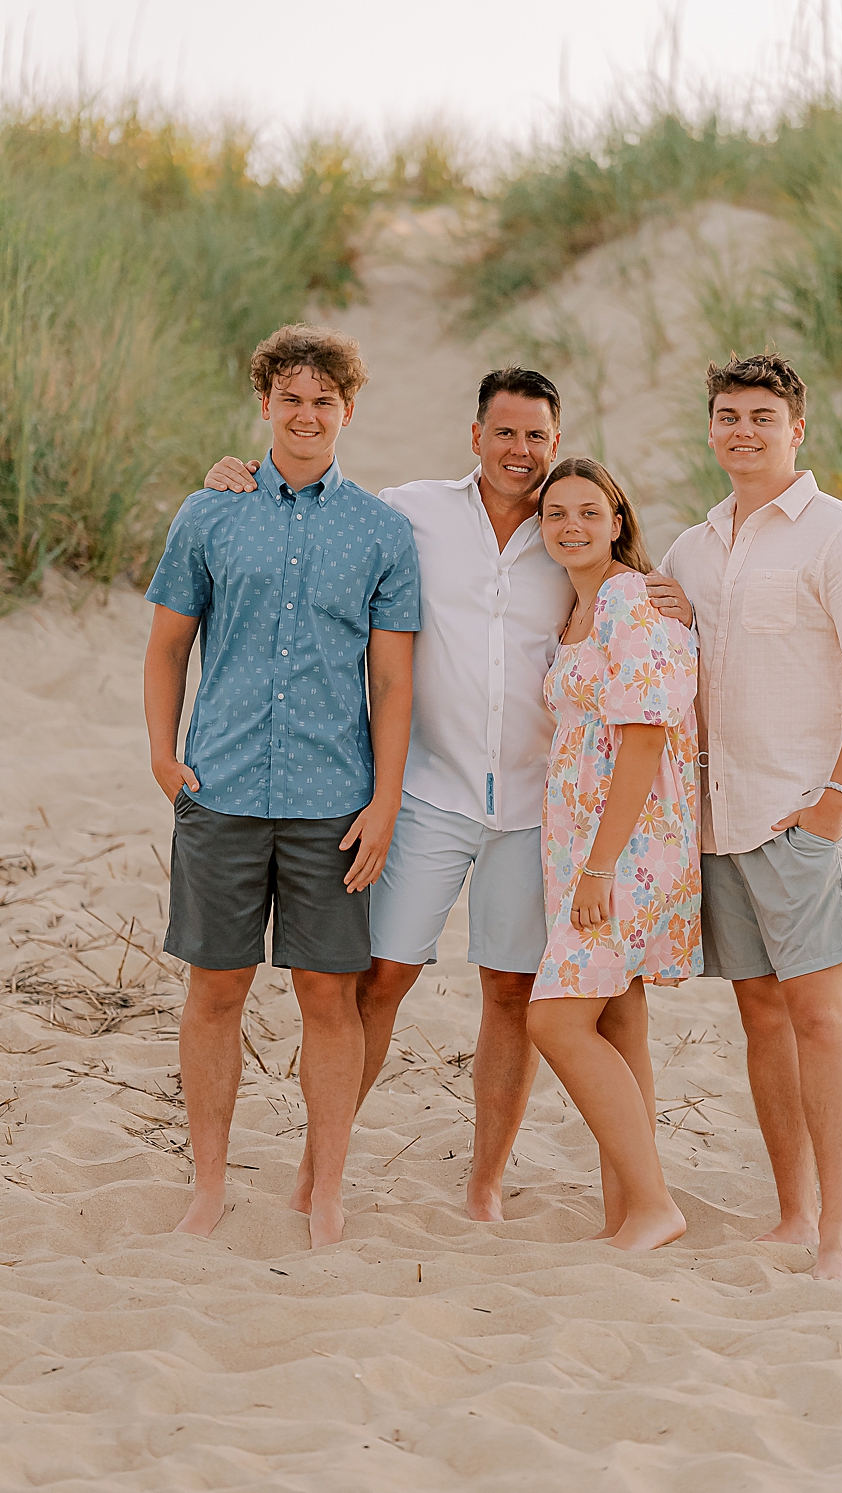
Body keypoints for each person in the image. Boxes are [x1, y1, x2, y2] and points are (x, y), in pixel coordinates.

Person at [201, 368, 571, 1222]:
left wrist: (662, 589)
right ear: (474, 435)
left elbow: (629, 585)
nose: (521, 451)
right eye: (505, 432)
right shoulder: (411, 511)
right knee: (379, 979)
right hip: (428, 793)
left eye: (537, 436)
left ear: (556, 441)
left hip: (534, 803)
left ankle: (484, 1183)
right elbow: (313, 497)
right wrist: (237, 475)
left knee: (512, 993)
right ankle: (317, 1169)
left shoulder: (573, 519)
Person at [144, 323, 419, 1249]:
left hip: (333, 805)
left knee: (327, 995)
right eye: (291, 399)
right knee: (214, 988)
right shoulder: (209, 513)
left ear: (348, 412)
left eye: (324, 402)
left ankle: (327, 1189)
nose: (307, 415)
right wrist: (160, 750)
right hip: (218, 791)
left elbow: (391, 682)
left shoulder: (382, 531)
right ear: (265, 405)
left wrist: (383, 801)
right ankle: (209, 1184)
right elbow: (168, 644)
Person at [645, 353, 842, 1282]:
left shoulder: (840, 537)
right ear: (710, 428)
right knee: (760, 1014)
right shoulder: (694, 545)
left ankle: (838, 1234)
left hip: (805, 815)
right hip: (718, 816)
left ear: (798, 431)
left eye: (763, 416)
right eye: (727, 415)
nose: (743, 430)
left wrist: (835, 804)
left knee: (820, 1017)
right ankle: (793, 1213)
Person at [524, 457, 700, 1252]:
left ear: (618, 520)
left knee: (556, 1018)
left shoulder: (628, 598)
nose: (572, 525)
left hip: (625, 850)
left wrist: (599, 865)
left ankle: (657, 1202)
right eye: (556, 512)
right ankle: (624, 1212)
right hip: (584, 846)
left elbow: (642, 735)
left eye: (589, 512)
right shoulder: (577, 607)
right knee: (620, 1020)